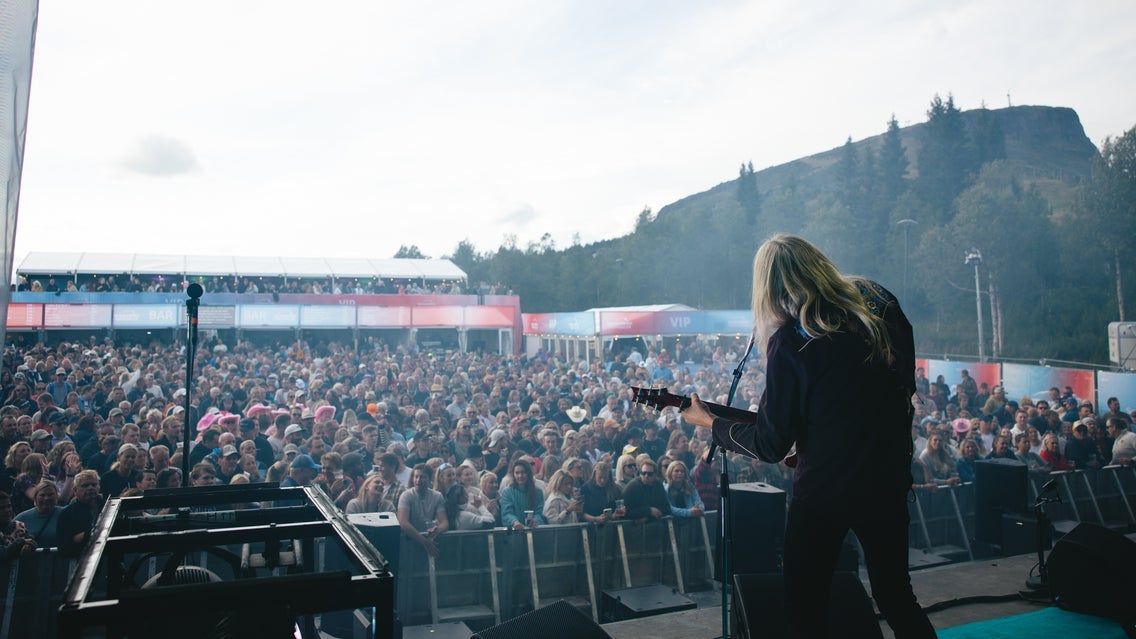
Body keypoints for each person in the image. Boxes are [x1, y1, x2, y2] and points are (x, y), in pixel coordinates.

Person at [680, 234, 935, 638]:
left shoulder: (791, 339)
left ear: (770, 286)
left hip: (825, 493)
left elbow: (770, 443)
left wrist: (711, 424)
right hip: (887, 480)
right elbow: (896, 390)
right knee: (897, 597)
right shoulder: (878, 303)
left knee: (806, 607)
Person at [397, 464, 448, 557]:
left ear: (429, 479)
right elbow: (403, 522)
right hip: (410, 540)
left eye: (422, 477)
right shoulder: (406, 495)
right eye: (416, 477)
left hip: (431, 539)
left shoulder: (437, 496)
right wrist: (424, 542)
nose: (418, 480)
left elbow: (444, 522)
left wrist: (437, 530)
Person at [500, 459, 546, 529]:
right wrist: (515, 522)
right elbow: (507, 513)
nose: (520, 476)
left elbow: (539, 512)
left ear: (528, 473)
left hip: (534, 530)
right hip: (515, 531)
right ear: (513, 474)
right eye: (517, 473)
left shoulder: (538, 492)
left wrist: (535, 521)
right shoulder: (507, 492)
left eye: (523, 472)